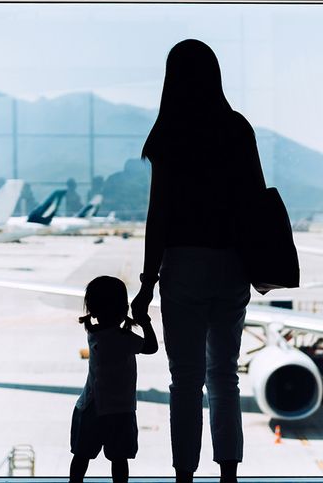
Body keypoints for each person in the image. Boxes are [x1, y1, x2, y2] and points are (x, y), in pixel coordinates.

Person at [130, 39, 265, 483]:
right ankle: (229, 474)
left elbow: (159, 215)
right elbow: (255, 202)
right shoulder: (237, 129)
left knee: (184, 382)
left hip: (183, 265)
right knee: (224, 376)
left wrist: (148, 282)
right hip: (231, 265)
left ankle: (184, 476)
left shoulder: (170, 133)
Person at [70, 275, 159, 483]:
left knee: (81, 456)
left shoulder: (94, 332)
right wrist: (145, 322)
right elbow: (151, 347)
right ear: (122, 308)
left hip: (89, 405)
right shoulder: (121, 338)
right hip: (118, 409)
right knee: (119, 460)